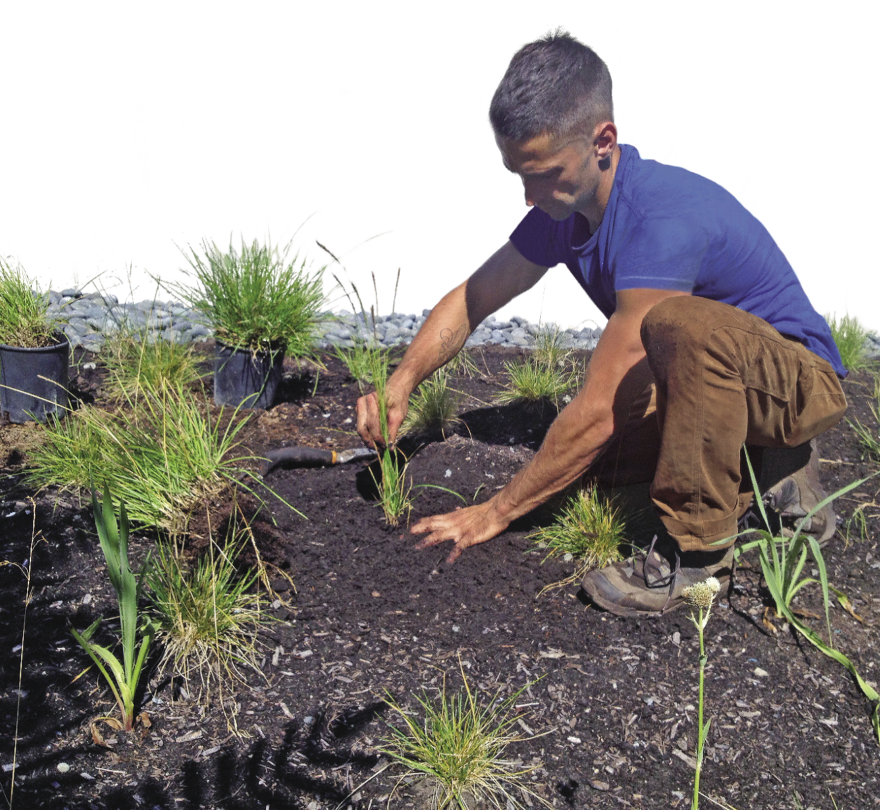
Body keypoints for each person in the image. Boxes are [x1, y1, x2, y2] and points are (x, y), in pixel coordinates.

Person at [355, 25, 847, 617]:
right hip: (711, 391)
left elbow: (596, 409)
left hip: (795, 386)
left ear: (603, 141)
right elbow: (474, 297)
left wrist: (494, 513)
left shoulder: (658, 222)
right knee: (600, 477)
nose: (531, 194)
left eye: (545, 172)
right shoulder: (561, 208)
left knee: (675, 328)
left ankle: (698, 555)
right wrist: (401, 381)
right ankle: (774, 476)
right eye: (519, 174)